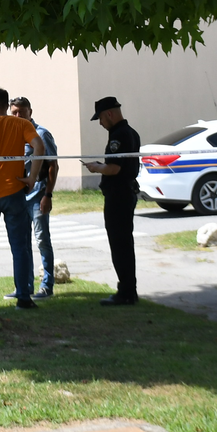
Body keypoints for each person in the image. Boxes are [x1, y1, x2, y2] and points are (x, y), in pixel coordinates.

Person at [0, 87, 45, 308]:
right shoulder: (22, 124)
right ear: (6, 105)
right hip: (16, 192)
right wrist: (32, 178)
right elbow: (40, 147)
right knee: (20, 248)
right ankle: (24, 298)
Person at [83, 96, 140, 305]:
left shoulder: (119, 135)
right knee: (124, 243)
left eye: (100, 118)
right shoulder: (130, 132)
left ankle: (126, 292)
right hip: (125, 194)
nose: (100, 123)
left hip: (119, 196)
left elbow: (114, 168)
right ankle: (128, 290)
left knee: (120, 245)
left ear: (109, 114)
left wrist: (95, 166)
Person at [9, 96, 58, 299]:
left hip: (38, 196)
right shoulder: (14, 134)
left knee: (42, 241)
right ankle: (24, 287)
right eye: (14, 112)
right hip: (20, 198)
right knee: (22, 243)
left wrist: (48, 195)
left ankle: (47, 286)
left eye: (21, 111)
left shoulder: (41, 134)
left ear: (30, 111)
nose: (18, 115)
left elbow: (53, 166)